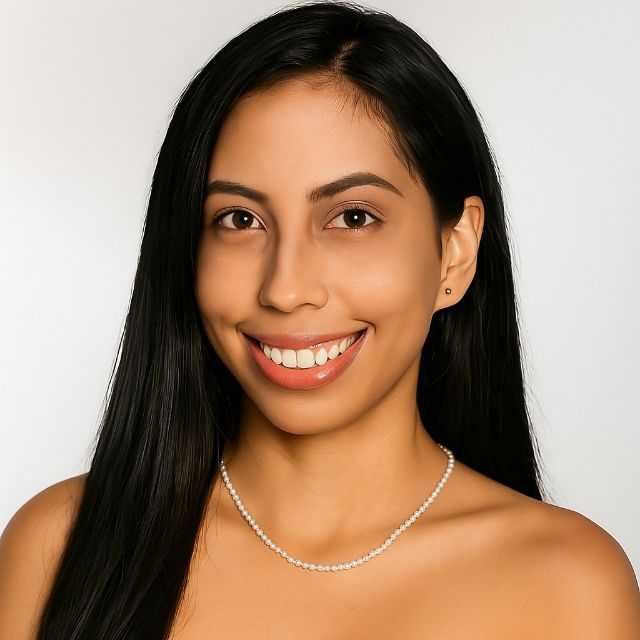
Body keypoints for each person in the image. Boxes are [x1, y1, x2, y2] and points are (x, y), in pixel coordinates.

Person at [1, 1, 639, 638]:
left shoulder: (568, 587)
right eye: (240, 220)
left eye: (353, 218)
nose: (285, 289)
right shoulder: (55, 548)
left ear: (455, 251)